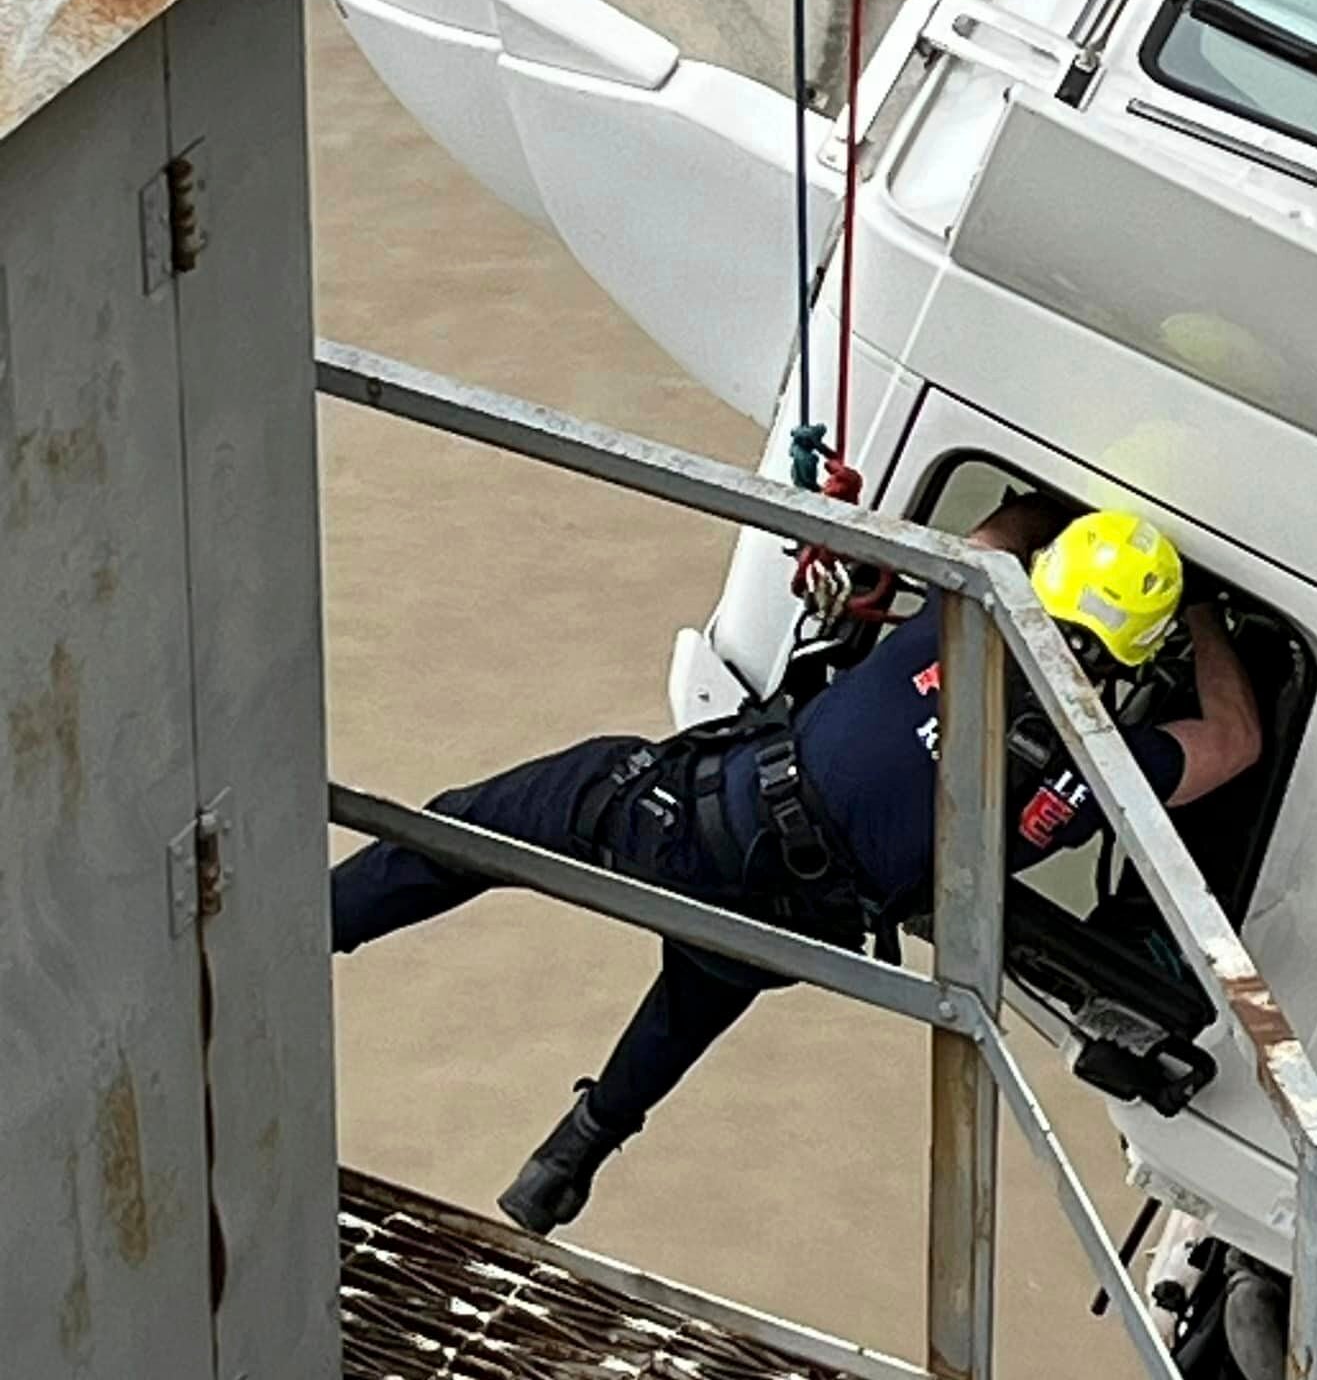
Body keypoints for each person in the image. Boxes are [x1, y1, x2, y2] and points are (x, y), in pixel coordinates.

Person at [330, 498, 1262, 1233]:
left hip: (693, 827)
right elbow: (1236, 739)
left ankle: (309, 927)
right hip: (797, 921)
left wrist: (1055, 510)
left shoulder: (961, 615)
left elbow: (998, 532)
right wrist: (1205, 617)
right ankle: (567, 1162)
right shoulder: (1105, 766)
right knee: (704, 985)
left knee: (467, 832)